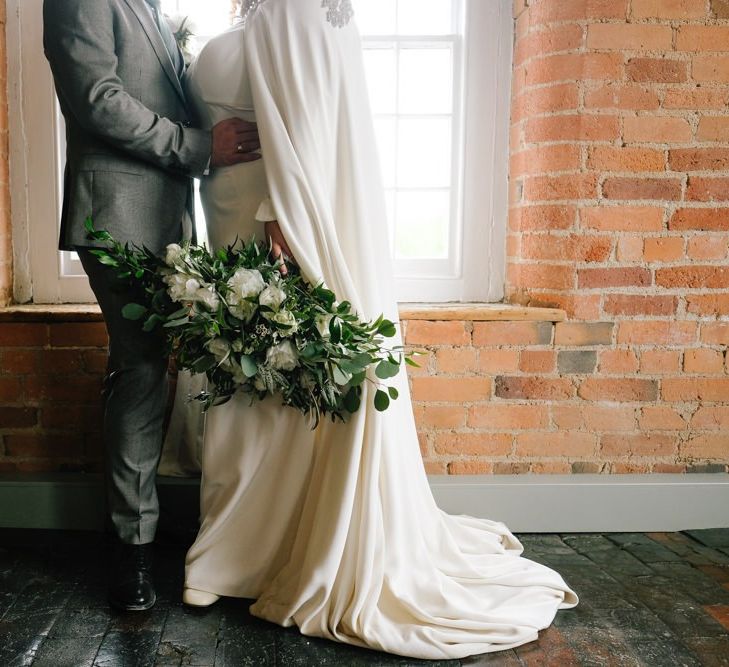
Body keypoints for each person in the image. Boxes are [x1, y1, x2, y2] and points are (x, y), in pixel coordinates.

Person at [172, 0, 580, 659]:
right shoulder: (247, 17)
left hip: (267, 220)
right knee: (240, 378)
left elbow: (311, 116)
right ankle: (232, 546)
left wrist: (284, 217)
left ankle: (240, 555)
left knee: (273, 378)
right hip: (224, 218)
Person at [42, 0, 263, 612]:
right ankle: (129, 550)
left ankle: (139, 529)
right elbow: (97, 99)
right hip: (116, 213)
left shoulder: (152, 6)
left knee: (147, 368)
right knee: (140, 368)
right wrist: (199, 146)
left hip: (166, 216)